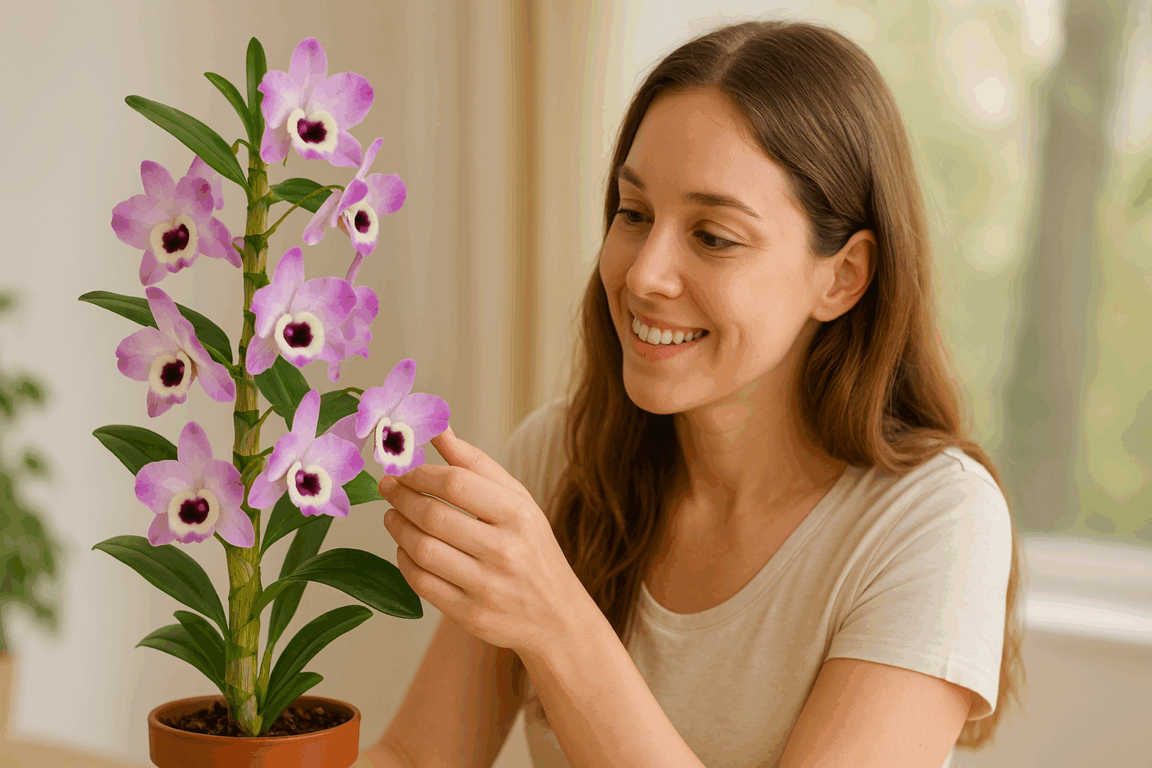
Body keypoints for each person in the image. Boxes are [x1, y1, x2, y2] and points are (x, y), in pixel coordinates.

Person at [356, 18, 1025, 768]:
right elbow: (416, 758)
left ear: (842, 276)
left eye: (713, 235)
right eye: (634, 213)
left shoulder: (933, 521)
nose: (643, 275)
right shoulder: (560, 458)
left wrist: (558, 622)